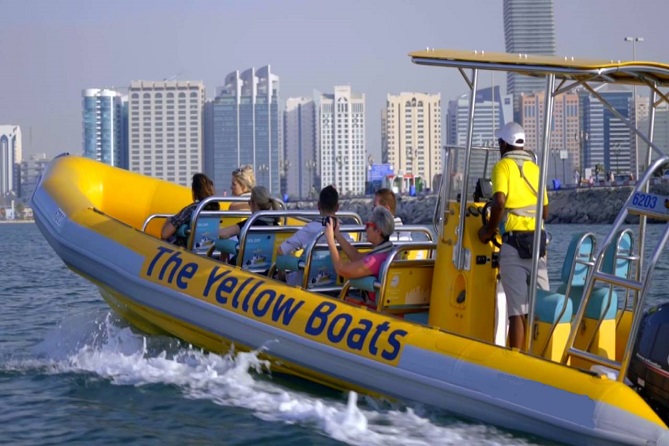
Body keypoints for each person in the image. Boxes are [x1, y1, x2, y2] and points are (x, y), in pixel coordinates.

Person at [478, 122, 550, 351]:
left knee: (516, 311)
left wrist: (488, 231)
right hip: (538, 244)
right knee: (538, 307)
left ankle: (516, 361)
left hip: (513, 245)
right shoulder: (536, 169)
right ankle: (540, 357)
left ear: (503, 144)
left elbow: (499, 201)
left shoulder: (502, 167)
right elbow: (546, 211)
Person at [277, 185, 350, 286]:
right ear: (337, 207)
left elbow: (281, 250)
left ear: (318, 206)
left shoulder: (309, 230)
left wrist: (283, 273)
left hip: (305, 285)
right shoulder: (345, 233)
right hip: (335, 286)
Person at [324, 206, 395, 308]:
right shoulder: (387, 252)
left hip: (373, 310)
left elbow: (342, 270)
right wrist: (337, 235)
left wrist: (330, 240)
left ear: (378, 231)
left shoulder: (374, 260)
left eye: (368, 225)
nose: (365, 229)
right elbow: (357, 256)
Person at [161, 173, 219, 247]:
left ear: (194, 191)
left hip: (186, 251)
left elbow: (165, 234)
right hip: (208, 249)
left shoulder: (192, 209)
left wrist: (168, 220)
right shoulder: (216, 210)